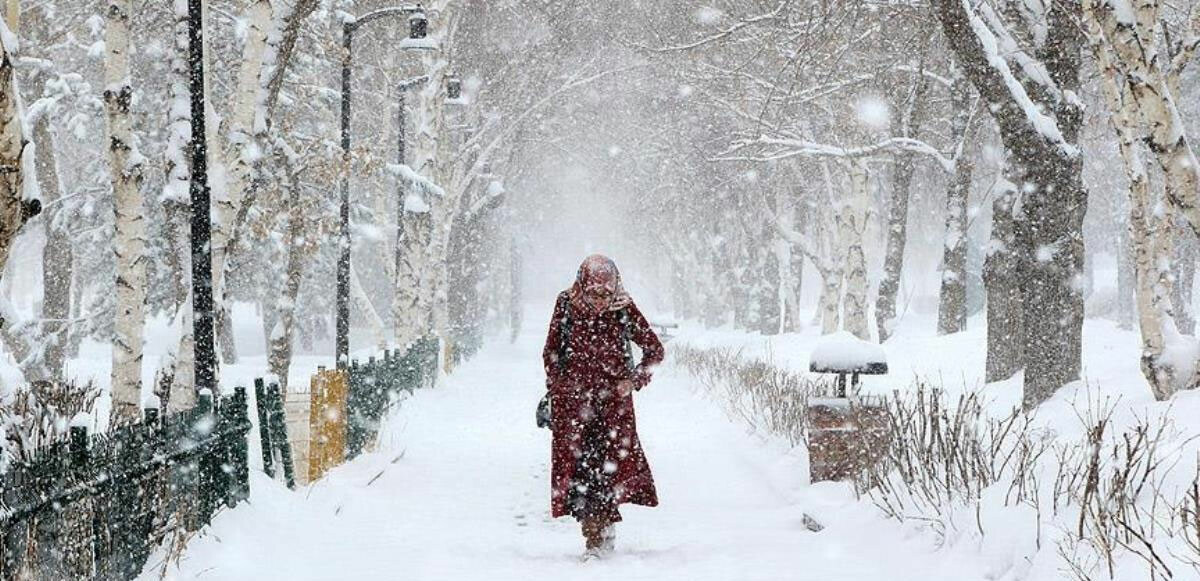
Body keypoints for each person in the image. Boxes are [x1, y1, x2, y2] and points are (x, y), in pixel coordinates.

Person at [542, 254, 665, 560]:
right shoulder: (566, 304)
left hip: (614, 410)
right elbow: (551, 351)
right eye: (594, 293)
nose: (599, 301)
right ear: (582, 286)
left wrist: (633, 381)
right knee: (580, 473)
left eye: (605, 294)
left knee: (607, 472)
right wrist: (560, 386)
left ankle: (600, 536)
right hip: (574, 409)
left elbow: (654, 351)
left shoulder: (623, 308)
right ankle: (593, 534)